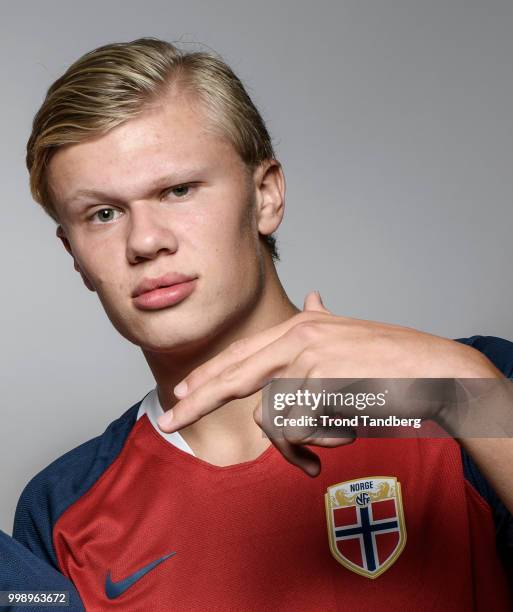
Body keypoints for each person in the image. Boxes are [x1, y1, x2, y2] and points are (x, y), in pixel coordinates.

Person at [3, 37, 513, 610]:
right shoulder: (60, 510)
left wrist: (459, 382)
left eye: (178, 190)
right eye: (103, 214)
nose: (145, 241)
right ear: (74, 255)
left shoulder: (466, 392)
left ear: (265, 195)